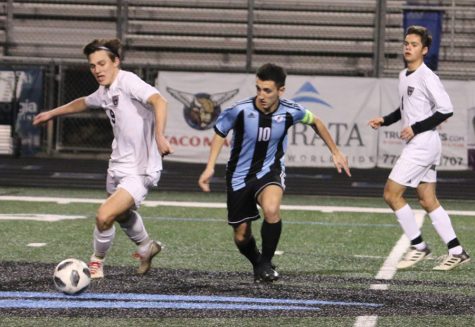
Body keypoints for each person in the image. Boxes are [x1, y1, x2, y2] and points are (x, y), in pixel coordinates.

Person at [33, 38, 173, 278]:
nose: (97, 70)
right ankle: (146, 246)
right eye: (92, 66)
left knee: (104, 214)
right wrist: (52, 114)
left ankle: (95, 262)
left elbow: (159, 101)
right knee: (122, 214)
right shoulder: (105, 90)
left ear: (116, 62)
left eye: (101, 64)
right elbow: (84, 102)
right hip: (118, 164)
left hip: (140, 169)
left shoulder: (128, 81)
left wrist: (159, 135)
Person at [198, 63, 351, 282]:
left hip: (269, 171)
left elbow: (316, 121)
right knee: (241, 236)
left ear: (281, 90)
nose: (261, 95)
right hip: (239, 176)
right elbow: (220, 132)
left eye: (267, 90)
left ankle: (267, 263)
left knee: (271, 209)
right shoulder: (240, 110)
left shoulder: (291, 110)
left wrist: (335, 152)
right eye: (258, 88)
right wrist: (210, 167)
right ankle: (258, 262)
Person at [368, 25, 470, 271]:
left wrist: (415, 128)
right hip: (421, 143)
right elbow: (404, 109)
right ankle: (457, 251)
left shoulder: (427, 76)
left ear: (424, 50)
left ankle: (419, 247)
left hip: (423, 144)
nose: (408, 47)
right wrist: (385, 120)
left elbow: (446, 109)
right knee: (427, 199)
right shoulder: (404, 75)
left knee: (391, 194)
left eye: (413, 44)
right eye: (406, 43)